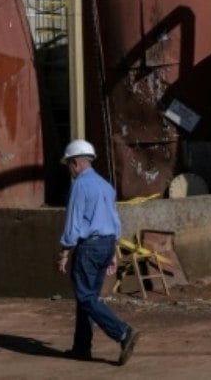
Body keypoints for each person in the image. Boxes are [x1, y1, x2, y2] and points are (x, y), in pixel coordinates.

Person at [56, 139, 140, 365]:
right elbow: (114, 221)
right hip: (106, 244)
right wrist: (113, 251)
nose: (69, 171)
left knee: (85, 297)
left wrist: (65, 251)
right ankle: (81, 348)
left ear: (75, 164)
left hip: (89, 247)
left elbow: (73, 223)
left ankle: (122, 332)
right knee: (88, 299)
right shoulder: (106, 185)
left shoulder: (80, 186)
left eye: (69, 166)